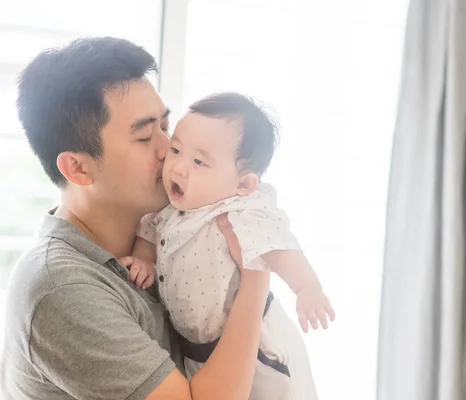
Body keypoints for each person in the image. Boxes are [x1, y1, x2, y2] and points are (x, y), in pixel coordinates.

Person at [0, 37, 270, 399]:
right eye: (145, 137)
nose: (170, 149)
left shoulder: (169, 230)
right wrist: (257, 274)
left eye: (166, 126)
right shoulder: (63, 289)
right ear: (78, 168)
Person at [122, 93, 335, 399]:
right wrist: (144, 262)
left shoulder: (239, 212)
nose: (179, 168)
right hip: (199, 352)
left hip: (260, 346)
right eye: (177, 150)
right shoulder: (165, 211)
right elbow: (148, 236)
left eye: (199, 161)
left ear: (243, 184)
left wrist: (307, 288)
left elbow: (280, 247)